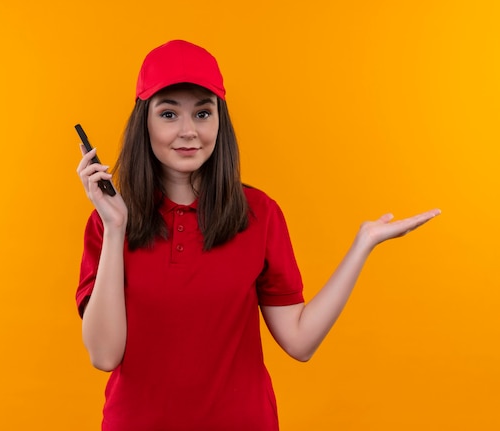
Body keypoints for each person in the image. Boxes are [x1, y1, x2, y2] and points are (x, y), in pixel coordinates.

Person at [75, 40, 440, 431]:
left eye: (203, 112)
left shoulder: (259, 214)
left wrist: (362, 245)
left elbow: (299, 342)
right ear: (143, 122)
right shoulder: (109, 222)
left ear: (220, 121)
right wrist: (115, 230)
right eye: (168, 114)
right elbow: (104, 355)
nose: (189, 131)